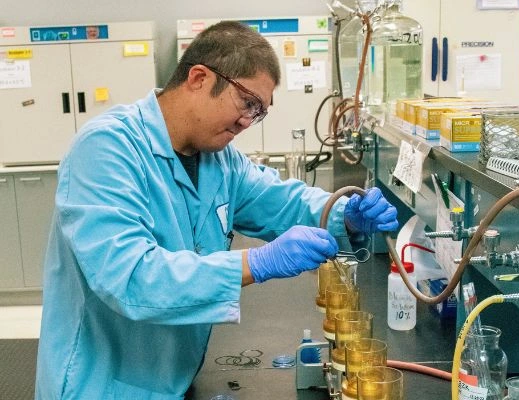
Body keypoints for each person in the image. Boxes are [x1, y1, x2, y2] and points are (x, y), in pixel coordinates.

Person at [35, 21, 399, 399]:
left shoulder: (219, 161)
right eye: (247, 103)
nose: (247, 121)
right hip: (101, 384)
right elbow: (129, 277)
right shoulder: (107, 148)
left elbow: (280, 201)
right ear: (198, 78)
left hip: (172, 373)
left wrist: (344, 214)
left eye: (259, 112)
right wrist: (255, 263)